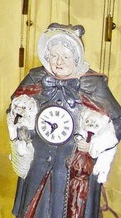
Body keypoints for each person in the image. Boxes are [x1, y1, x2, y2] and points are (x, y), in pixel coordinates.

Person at [7, 23, 121, 218]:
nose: (58, 62)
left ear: (76, 58)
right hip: (38, 166)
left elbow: (117, 122)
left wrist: (94, 144)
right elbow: (13, 110)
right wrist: (20, 129)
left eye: (66, 57)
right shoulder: (35, 78)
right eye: (53, 56)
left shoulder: (92, 84)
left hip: (74, 171)